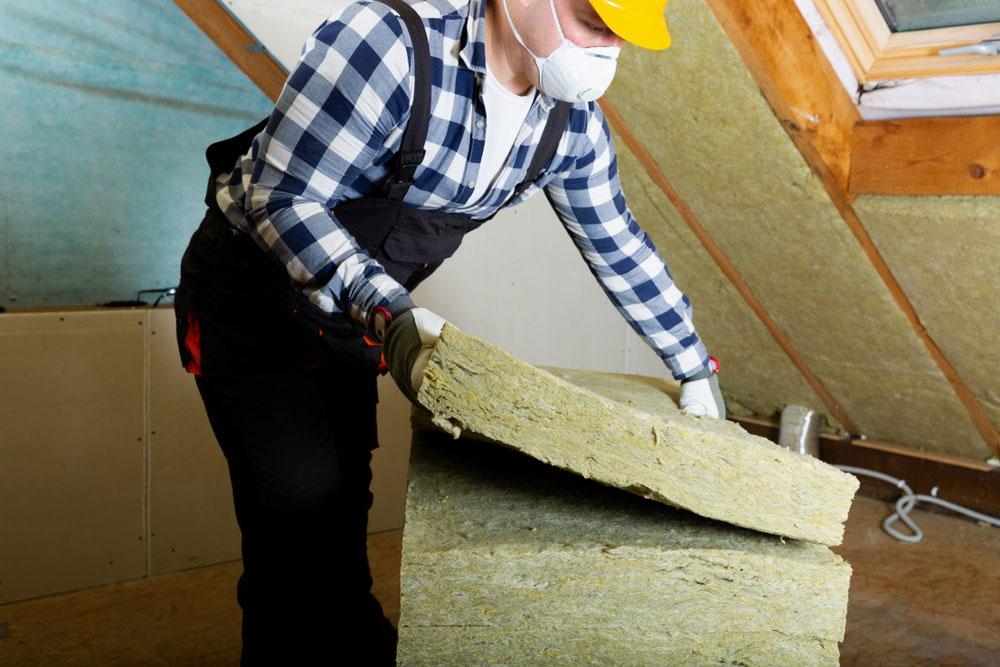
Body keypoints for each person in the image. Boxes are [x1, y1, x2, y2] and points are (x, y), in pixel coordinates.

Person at [174, 0, 725, 662]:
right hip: (250, 296)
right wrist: (390, 309)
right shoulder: (389, 48)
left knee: (344, 496)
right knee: (295, 505)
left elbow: (621, 247)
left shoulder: (570, 129)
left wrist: (694, 368)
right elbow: (280, 199)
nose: (606, 52)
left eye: (622, 37)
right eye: (593, 21)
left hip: (353, 317)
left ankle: (355, 639)